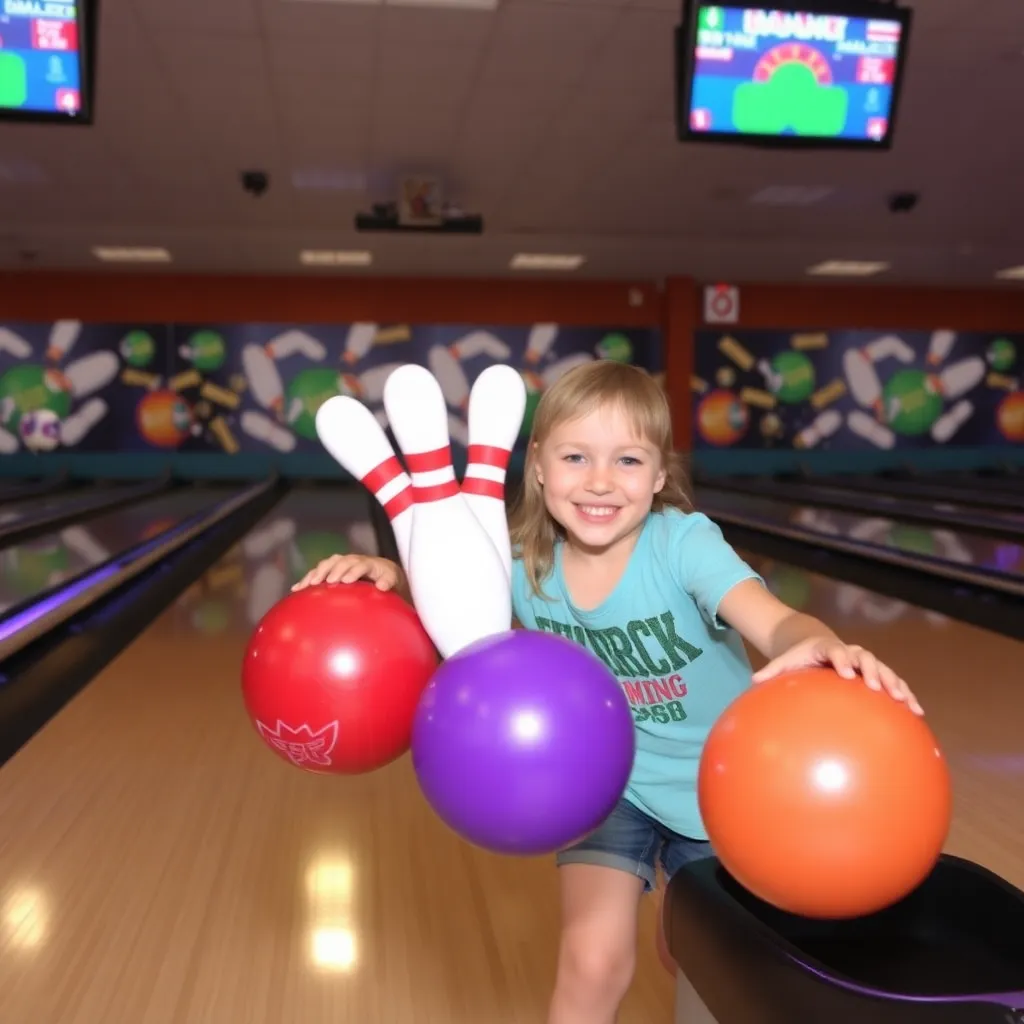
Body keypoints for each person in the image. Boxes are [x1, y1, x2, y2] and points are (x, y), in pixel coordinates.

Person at [293, 360, 923, 1024]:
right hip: (602, 786)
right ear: (537, 466)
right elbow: (450, 594)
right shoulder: (519, 562)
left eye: (626, 460)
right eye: (575, 456)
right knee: (592, 964)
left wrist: (815, 641)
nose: (599, 480)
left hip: (726, 792)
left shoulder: (683, 545)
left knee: (693, 962)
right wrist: (386, 572)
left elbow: (774, 621)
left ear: (658, 476)